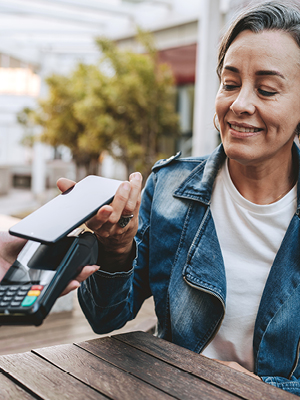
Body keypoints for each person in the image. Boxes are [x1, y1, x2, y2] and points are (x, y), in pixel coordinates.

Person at [2, 0, 300, 395]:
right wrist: (115, 248)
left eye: (266, 89)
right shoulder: (168, 187)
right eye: (230, 84)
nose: (240, 104)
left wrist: (266, 387)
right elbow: (105, 318)